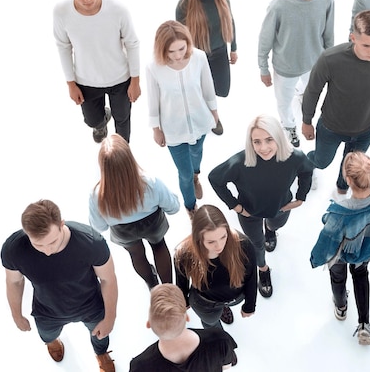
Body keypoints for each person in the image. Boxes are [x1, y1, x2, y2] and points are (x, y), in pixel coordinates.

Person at [1, 200, 118, 372]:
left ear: (61, 224)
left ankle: (101, 353)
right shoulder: (13, 249)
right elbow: (14, 281)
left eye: (53, 242)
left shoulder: (91, 243)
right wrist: (16, 315)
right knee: (47, 336)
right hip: (46, 310)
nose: (47, 251)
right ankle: (53, 341)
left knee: (101, 336)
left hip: (91, 305)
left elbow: (108, 279)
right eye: (38, 244)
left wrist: (110, 318)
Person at [209, 114, 313, 298]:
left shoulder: (294, 158)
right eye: (256, 142)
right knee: (256, 244)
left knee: (274, 225)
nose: (263, 148)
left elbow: (306, 171)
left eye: (269, 140)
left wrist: (300, 198)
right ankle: (263, 269)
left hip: (280, 208)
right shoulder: (241, 162)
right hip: (250, 213)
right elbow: (215, 178)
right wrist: (236, 206)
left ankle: (271, 230)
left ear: (278, 138)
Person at [302, 10, 370, 194]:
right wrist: (306, 120)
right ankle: (305, 168)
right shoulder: (330, 59)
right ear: (353, 38)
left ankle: (341, 189)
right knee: (321, 161)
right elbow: (313, 90)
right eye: (366, 45)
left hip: (365, 130)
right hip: (330, 127)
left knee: (351, 169)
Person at [310, 151, 370, 345]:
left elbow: (326, 242)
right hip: (367, 249)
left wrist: (316, 257)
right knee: (361, 275)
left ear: (348, 180)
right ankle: (365, 323)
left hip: (342, 255)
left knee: (338, 279)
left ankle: (341, 308)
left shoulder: (340, 212)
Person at [54, 0, 140, 143]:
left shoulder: (118, 10)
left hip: (120, 79)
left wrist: (135, 80)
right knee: (92, 120)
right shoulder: (61, 12)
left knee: (123, 120)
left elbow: (132, 43)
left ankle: (122, 155)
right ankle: (101, 123)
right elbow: (63, 46)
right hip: (86, 81)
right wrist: (71, 84)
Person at [258, 0, 335, 147]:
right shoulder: (279, 4)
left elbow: (328, 33)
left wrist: (331, 62)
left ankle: (305, 115)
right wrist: (263, 68)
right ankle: (289, 126)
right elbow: (265, 39)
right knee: (284, 104)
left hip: (314, 63)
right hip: (285, 67)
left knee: (311, 95)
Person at [147, 20, 220, 220]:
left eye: (182, 48)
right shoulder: (154, 68)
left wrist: (214, 112)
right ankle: (191, 207)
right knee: (184, 173)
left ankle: (197, 175)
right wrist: (156, 128)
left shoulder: (199, 57)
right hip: (173, 130)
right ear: (162, 49)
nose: (178, 55)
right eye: (172, 51)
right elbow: (153, 99)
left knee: (197, 154)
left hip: (200, 121)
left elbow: (207, 86)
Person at [89, 134, 180, 290]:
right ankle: (168, 289)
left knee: (136, 255)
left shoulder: (97, 195)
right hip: (153, 224)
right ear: (130, 159)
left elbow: (99, 227)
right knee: (159, 246)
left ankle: (152, 285)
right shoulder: (151, 182)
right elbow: (174, 208)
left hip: (123, 231)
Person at [176, 0, 237, 135]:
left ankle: (205, 109)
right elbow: (180, 39)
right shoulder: (183, 5)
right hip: (198, 55)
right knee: (202, 89)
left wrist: (233, 47)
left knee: (222, 90)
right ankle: (213, 118)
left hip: (219, 50)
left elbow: (230, 19)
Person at [174, 205, 257, 330]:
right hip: (205, 303)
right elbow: (181, 283)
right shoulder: (184, 254)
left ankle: (223, 308)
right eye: (211, 242)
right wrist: (183, 303)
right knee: (211, 326)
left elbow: (251, 276)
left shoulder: (242, 244)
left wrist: (250, 305)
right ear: (198, 239)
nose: (219, 246)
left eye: (223, 237)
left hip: (236, 295)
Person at [129, 284, 237, 371]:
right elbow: (226, 366)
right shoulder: (220, 340)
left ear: (149, 324)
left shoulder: (140, 366)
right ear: (187, 317)